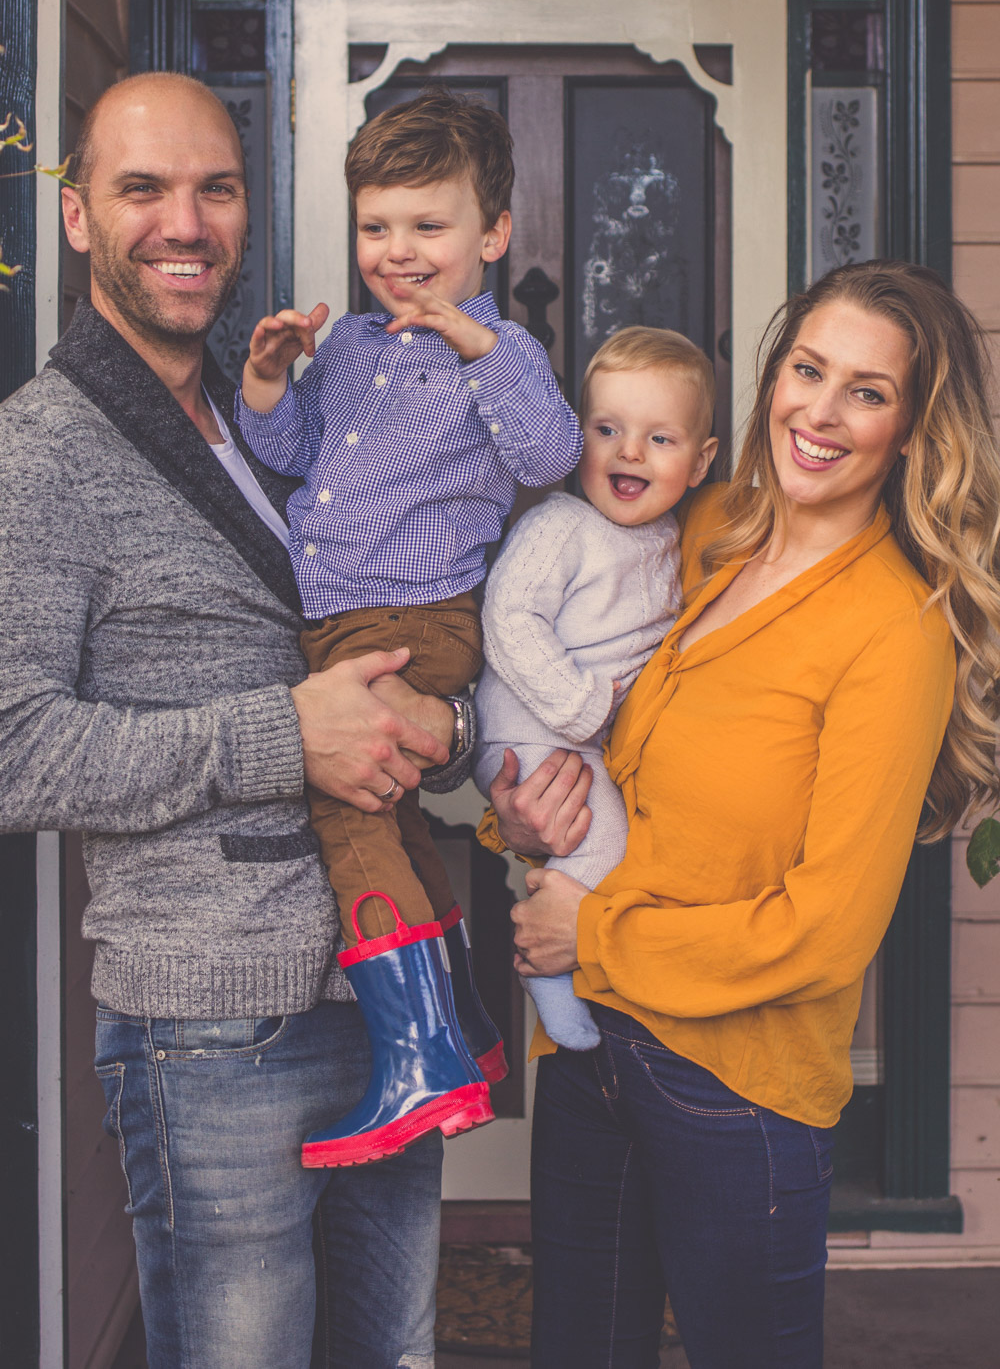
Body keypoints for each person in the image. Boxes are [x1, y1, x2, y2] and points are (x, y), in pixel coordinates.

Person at [0, 71, 467, 1369]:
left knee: (395, 1354)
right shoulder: (37, 456)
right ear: (80, 214)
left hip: (385, 990)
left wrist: (460, 729)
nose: (184, 222)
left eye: (215, 187)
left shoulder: (287, 412)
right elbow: (15, 745)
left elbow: (410, 626)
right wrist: (282, 736)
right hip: (212, 1026)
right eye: (142, 188)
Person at [479, 261, 1000, 1368]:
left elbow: (828, 931)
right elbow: (581, 717)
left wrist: (594, 933)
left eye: (866, 390)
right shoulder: (701, 525)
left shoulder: (889, 635)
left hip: (734, 1090)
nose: (819, 411)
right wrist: (517, 818)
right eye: (806, 370)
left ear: (909, 430)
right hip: (591, 1051)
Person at [235, 88, 582, 1164]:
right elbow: (297, 455)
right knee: (389, 818)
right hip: (340, 623)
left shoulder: (502, 358)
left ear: (490, 234)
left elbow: (547, 457)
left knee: (343, 804)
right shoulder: (345, 350)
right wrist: (265, 378)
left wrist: (479, 347)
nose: (399, 251)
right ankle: (466, 1030)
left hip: (422, 621)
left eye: (429, 227)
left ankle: (418, 1056)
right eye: (377, 227)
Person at [473, 327, 717, 1049]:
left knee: (621, 838)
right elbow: (509, 615)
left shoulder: (673, 536)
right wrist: (580, 706)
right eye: (606, 429)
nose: (628, 452)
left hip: (580, 731)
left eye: (659, 439)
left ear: (701, 462)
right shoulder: (562, 526)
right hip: (534, 728)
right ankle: (548, 962)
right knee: (605, 836)